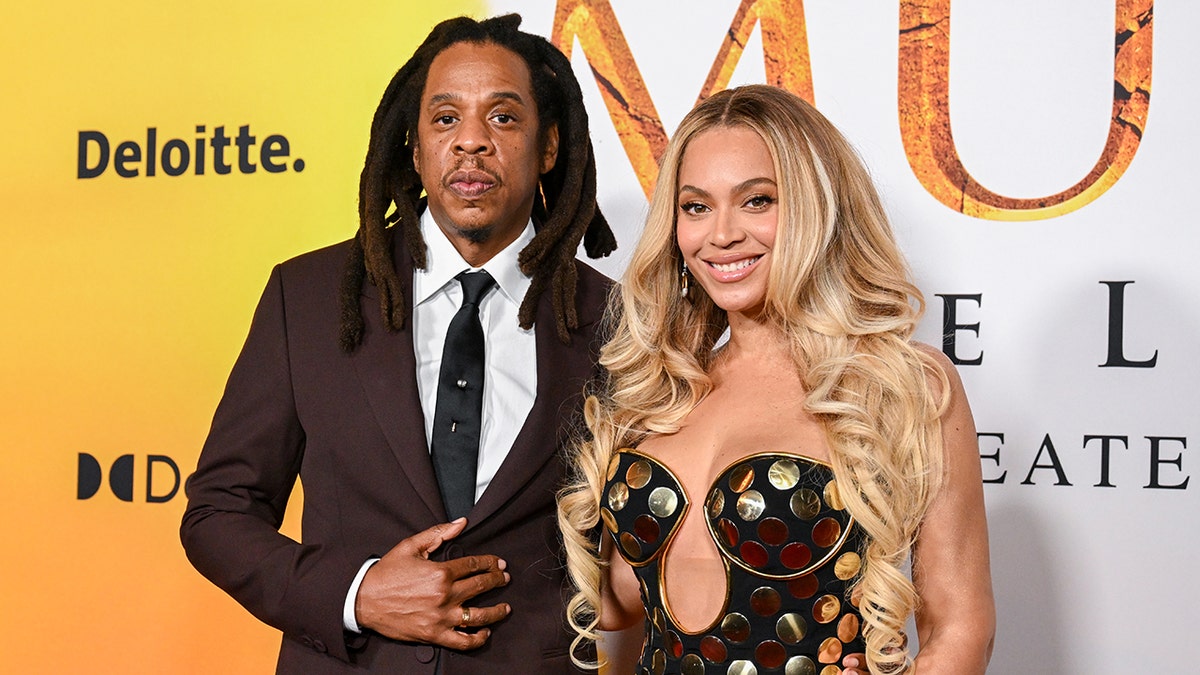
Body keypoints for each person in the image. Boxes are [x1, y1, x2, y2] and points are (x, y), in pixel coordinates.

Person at [181, 14, 616, 674]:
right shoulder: (306, 297)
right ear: (413, 147)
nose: (471, 142)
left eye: (503, 118)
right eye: (445, 119)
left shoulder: (617, 320)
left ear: (549, 147)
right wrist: (357, 595)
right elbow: (218, 513)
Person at [558, 85, 994, 674]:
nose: (722, 234)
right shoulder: (663, 388)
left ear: (817, 206)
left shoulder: (902, 384)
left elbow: (961, 628)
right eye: (696, 206)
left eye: (757, 201)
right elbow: (621, 607)